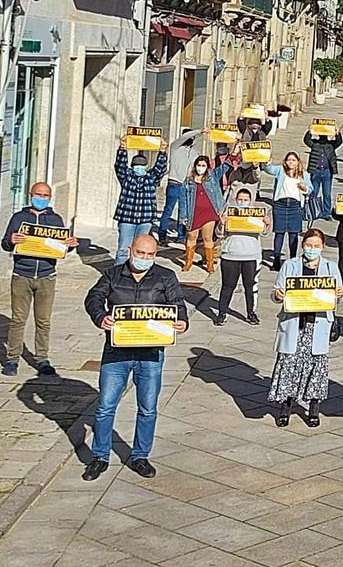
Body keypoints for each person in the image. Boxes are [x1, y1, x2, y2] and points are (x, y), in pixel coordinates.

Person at [82, 234, 189, 481]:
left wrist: (182, 321)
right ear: (131, 250)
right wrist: (100, 317)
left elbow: (178, 304)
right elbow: (93, 298)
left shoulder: (165, 277)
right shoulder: (113, 274)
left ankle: (140, 456)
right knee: (105, 406)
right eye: (140, 253)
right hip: (116, 351)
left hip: (150, 353)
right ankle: (100, 457)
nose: (144, 258)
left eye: (150, 255)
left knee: (148, 408)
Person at [269, 229, 343, 428]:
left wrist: (339, 293)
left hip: (317, 323)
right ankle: (285, 407)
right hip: (294, 321)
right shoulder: (290, 265)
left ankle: (313, 408)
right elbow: (275, 293)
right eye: (309, 245)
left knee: (316, 367)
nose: (312, 249)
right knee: (288, 365)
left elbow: (338, 295)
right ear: (303, 245)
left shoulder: (330, 267)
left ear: (322, 247)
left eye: (316, 246)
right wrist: (278, 295)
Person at [2, 183, 79, 376]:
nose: (41, 198)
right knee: (18, 320)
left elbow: (61, 246)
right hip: (22, 275)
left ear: (50, 197)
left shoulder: (55, 219)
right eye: (38, 194)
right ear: (31, 194)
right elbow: (5, 243)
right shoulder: (19, 217)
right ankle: (12, 359)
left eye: (45, 195)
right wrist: (12, 241)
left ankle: (42, 359)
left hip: (46, 276)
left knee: (43, 320)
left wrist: (69, 245)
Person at [215, 188, 268, 326]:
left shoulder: (255, 215)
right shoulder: (229, 213)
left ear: (250, 201)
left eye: (245, 200)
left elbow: (264, 232)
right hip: (231, 255)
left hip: (251, 255)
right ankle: (222, 313)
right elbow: (219, 234)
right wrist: (221, 222)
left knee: (250, 286)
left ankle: (251, 312)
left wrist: (266, 224)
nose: (242, 202)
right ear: (235, 199)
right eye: (240, 199)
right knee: (228, 286)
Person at [113, 138, 169, 266]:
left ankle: (137, 271)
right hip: (127, 219)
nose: (139, 168)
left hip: (145, 220)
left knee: (141, 249)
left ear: (146, 167)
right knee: (123, 249)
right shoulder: (127, 177)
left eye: (142, 166)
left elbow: (160, 169)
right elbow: (120, 165)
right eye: (137, 166)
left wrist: (162, 151)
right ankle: (119, 275)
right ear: (132, 167)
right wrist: (122, 148)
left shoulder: (151, 178)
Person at [178, 153, 234, 274]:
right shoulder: (188, 182)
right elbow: (183, 201)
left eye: (203, 165)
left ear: (207, 167)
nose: (200, 168)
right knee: (191, 236)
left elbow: (225, 166)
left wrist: (234, 152)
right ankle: (188, 262)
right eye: (199, 165)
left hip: (209, 212)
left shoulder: (212, 176)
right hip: (193, 213)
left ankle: (209, 264)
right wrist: (183, 217)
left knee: (207, 237)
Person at [158, 127, 205, 245]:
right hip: (174, 183)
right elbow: (183, 138)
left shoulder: (195, 152)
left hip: (187, 184)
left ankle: (181, 236)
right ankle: (162, 236)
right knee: (168, 210)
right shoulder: (175, 147)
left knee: (183, 212)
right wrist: (200, 131)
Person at [264, 152, 312, 271]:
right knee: (279, 233)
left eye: (293, 160)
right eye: (289, 160)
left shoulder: (303, 174)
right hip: (281, 205)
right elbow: (268, 169)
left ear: (298, 162)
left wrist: (304, 188)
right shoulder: (280, 170)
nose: (291, 162)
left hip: (295, 206)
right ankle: (276, 259)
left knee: (293, 234)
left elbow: (311, 189)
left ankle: (293, 260)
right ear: (285, 161)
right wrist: (267, 160)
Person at [304, 128, 343, 220]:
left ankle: (326, 213)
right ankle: (312, 211)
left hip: (327, 172)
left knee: (327, 194)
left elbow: (339, 142)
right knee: (314, 192)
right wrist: (309, 131)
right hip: (316, 171)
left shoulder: (330, 145)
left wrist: (338, 134)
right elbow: (306, 140)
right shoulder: (315, 144)